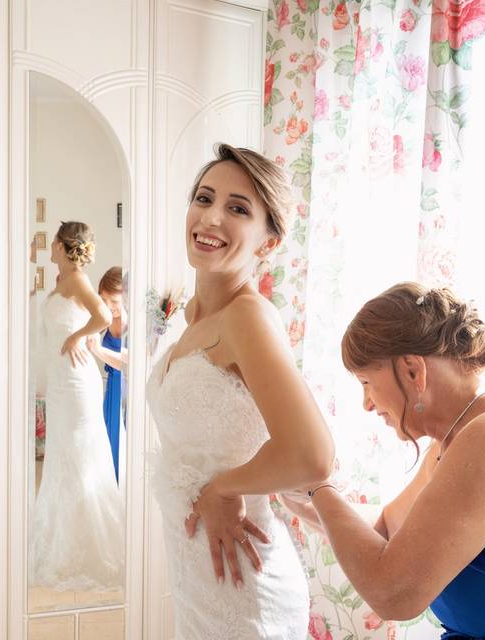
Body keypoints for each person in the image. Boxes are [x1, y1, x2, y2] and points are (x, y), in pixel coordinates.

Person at [281, 283, 485, 638]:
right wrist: (302, 496)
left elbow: (393, 594)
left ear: (413, 372)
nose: (367, 404)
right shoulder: (460, 436)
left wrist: (320, 487)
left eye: (367, 382)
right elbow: (387, 528)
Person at [149, 143, 335, 639]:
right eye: (204, 198)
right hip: (201, 574)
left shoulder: (248, 317)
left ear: (267, 243)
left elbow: (313, 455)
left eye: (237, 209)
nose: (210, 218)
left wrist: (225, 488)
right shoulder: (191, 316)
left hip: (245, 585)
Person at [29, 221, 123, 590]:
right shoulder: (61, 281)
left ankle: (89, 544)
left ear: (65, 246)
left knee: (80, 457)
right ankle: (60, 538)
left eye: (53, 242)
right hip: (61, 381)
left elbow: (103, 315)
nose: (49, 247)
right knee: (63, 457)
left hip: (76, 380)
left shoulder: (79, 279)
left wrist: (78, 336)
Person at [87, 266, 127, 482]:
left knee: (126, 441)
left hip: (128, 388)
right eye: (104, 300)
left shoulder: (134, 324)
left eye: (115, 302)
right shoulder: (103, 319)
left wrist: (99, 351)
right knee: (108, 439)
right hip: (112, 386)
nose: (109, 307)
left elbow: (129, 364)